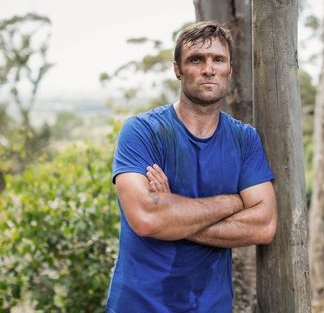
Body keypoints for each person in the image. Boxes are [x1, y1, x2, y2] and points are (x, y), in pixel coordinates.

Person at [106, 21, 277, 313]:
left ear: (229, 70)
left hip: (211, 306)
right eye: (196, 59)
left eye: (218, 60)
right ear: (178, 69)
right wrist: (232, 202)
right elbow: (147, 218)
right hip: (140, 305)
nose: (208, 69)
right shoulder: (142, 132)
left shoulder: (244, 139)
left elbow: (263, 226)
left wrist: (172, 213)